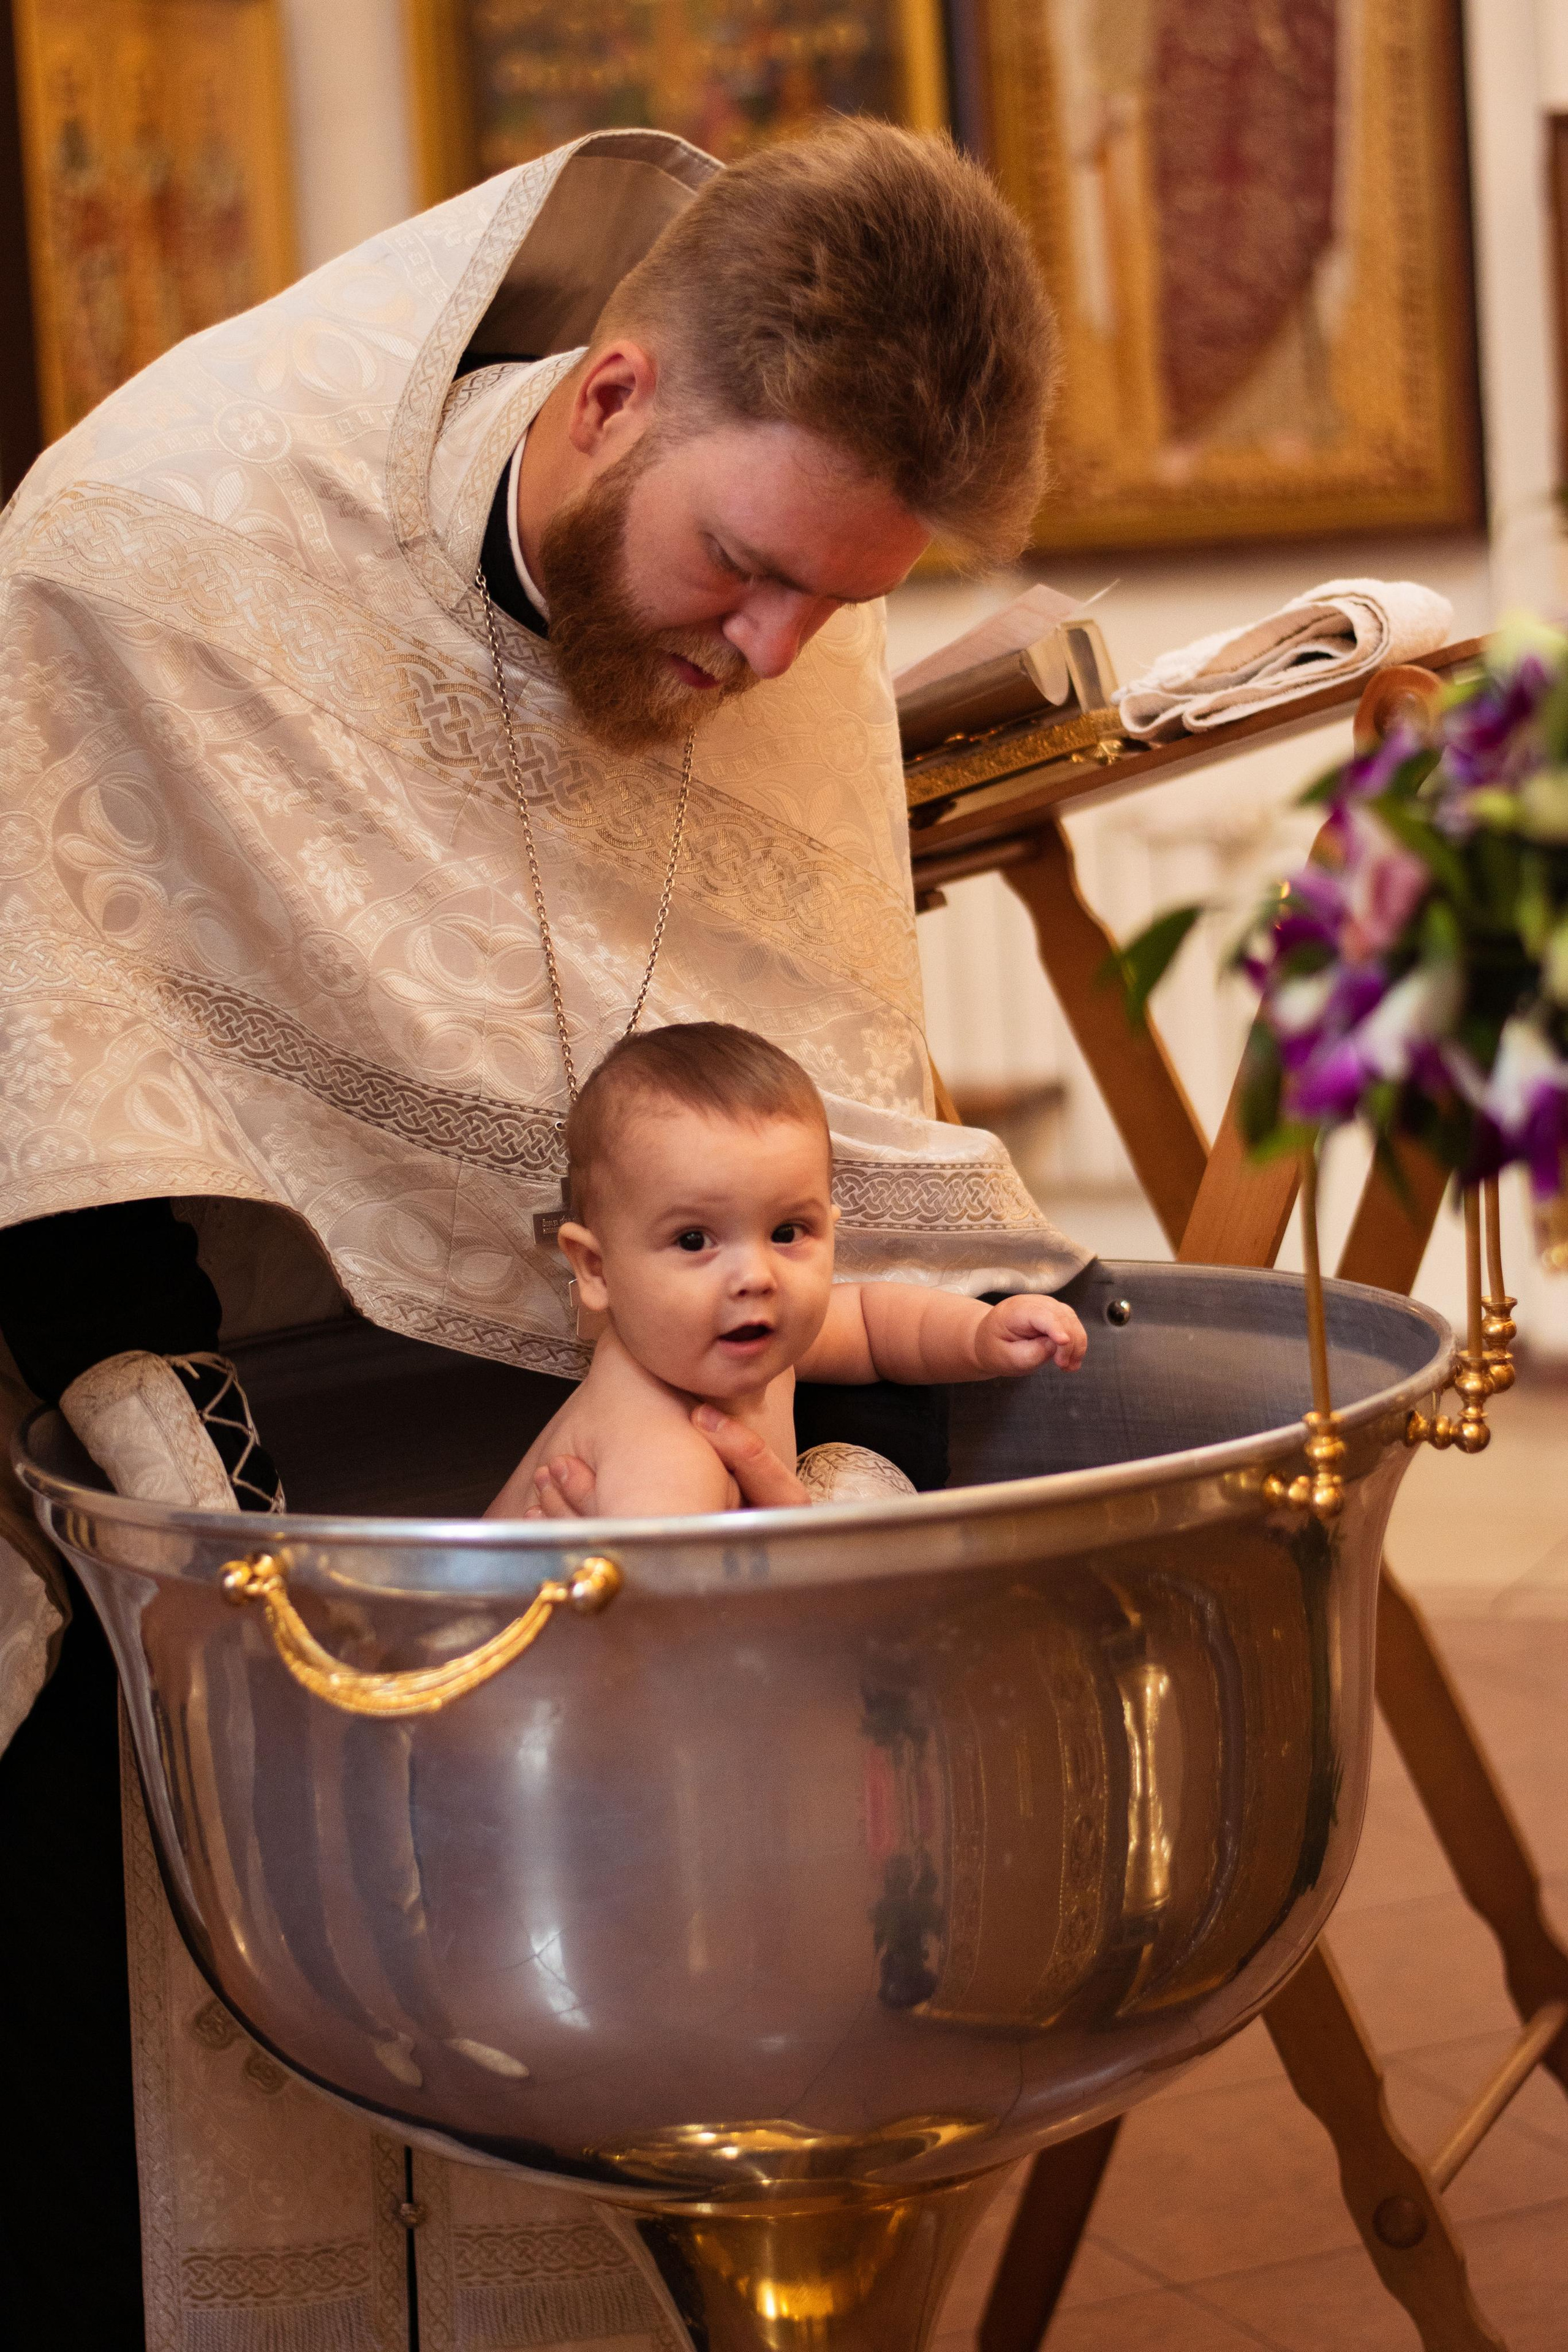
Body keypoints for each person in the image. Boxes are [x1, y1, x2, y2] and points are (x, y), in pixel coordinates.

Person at [0, 119, 1090, 2349]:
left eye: (838, 603)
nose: (776, 652)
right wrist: (208, 1521)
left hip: (621, 1460)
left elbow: (804, 1124)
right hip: (168, 1427)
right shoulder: (152, 549)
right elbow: (53, 1076)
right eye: (745, 568)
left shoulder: (794, 632)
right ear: (613, 399)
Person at [488, 1025, 1087, 1518]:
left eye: (786, 1233)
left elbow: (876, 1325)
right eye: (694, 1240)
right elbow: (686, 1640)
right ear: (596, 1268)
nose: (756, 1275)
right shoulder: (662, 1455)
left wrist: (983, 1335)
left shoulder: (724, 1345)